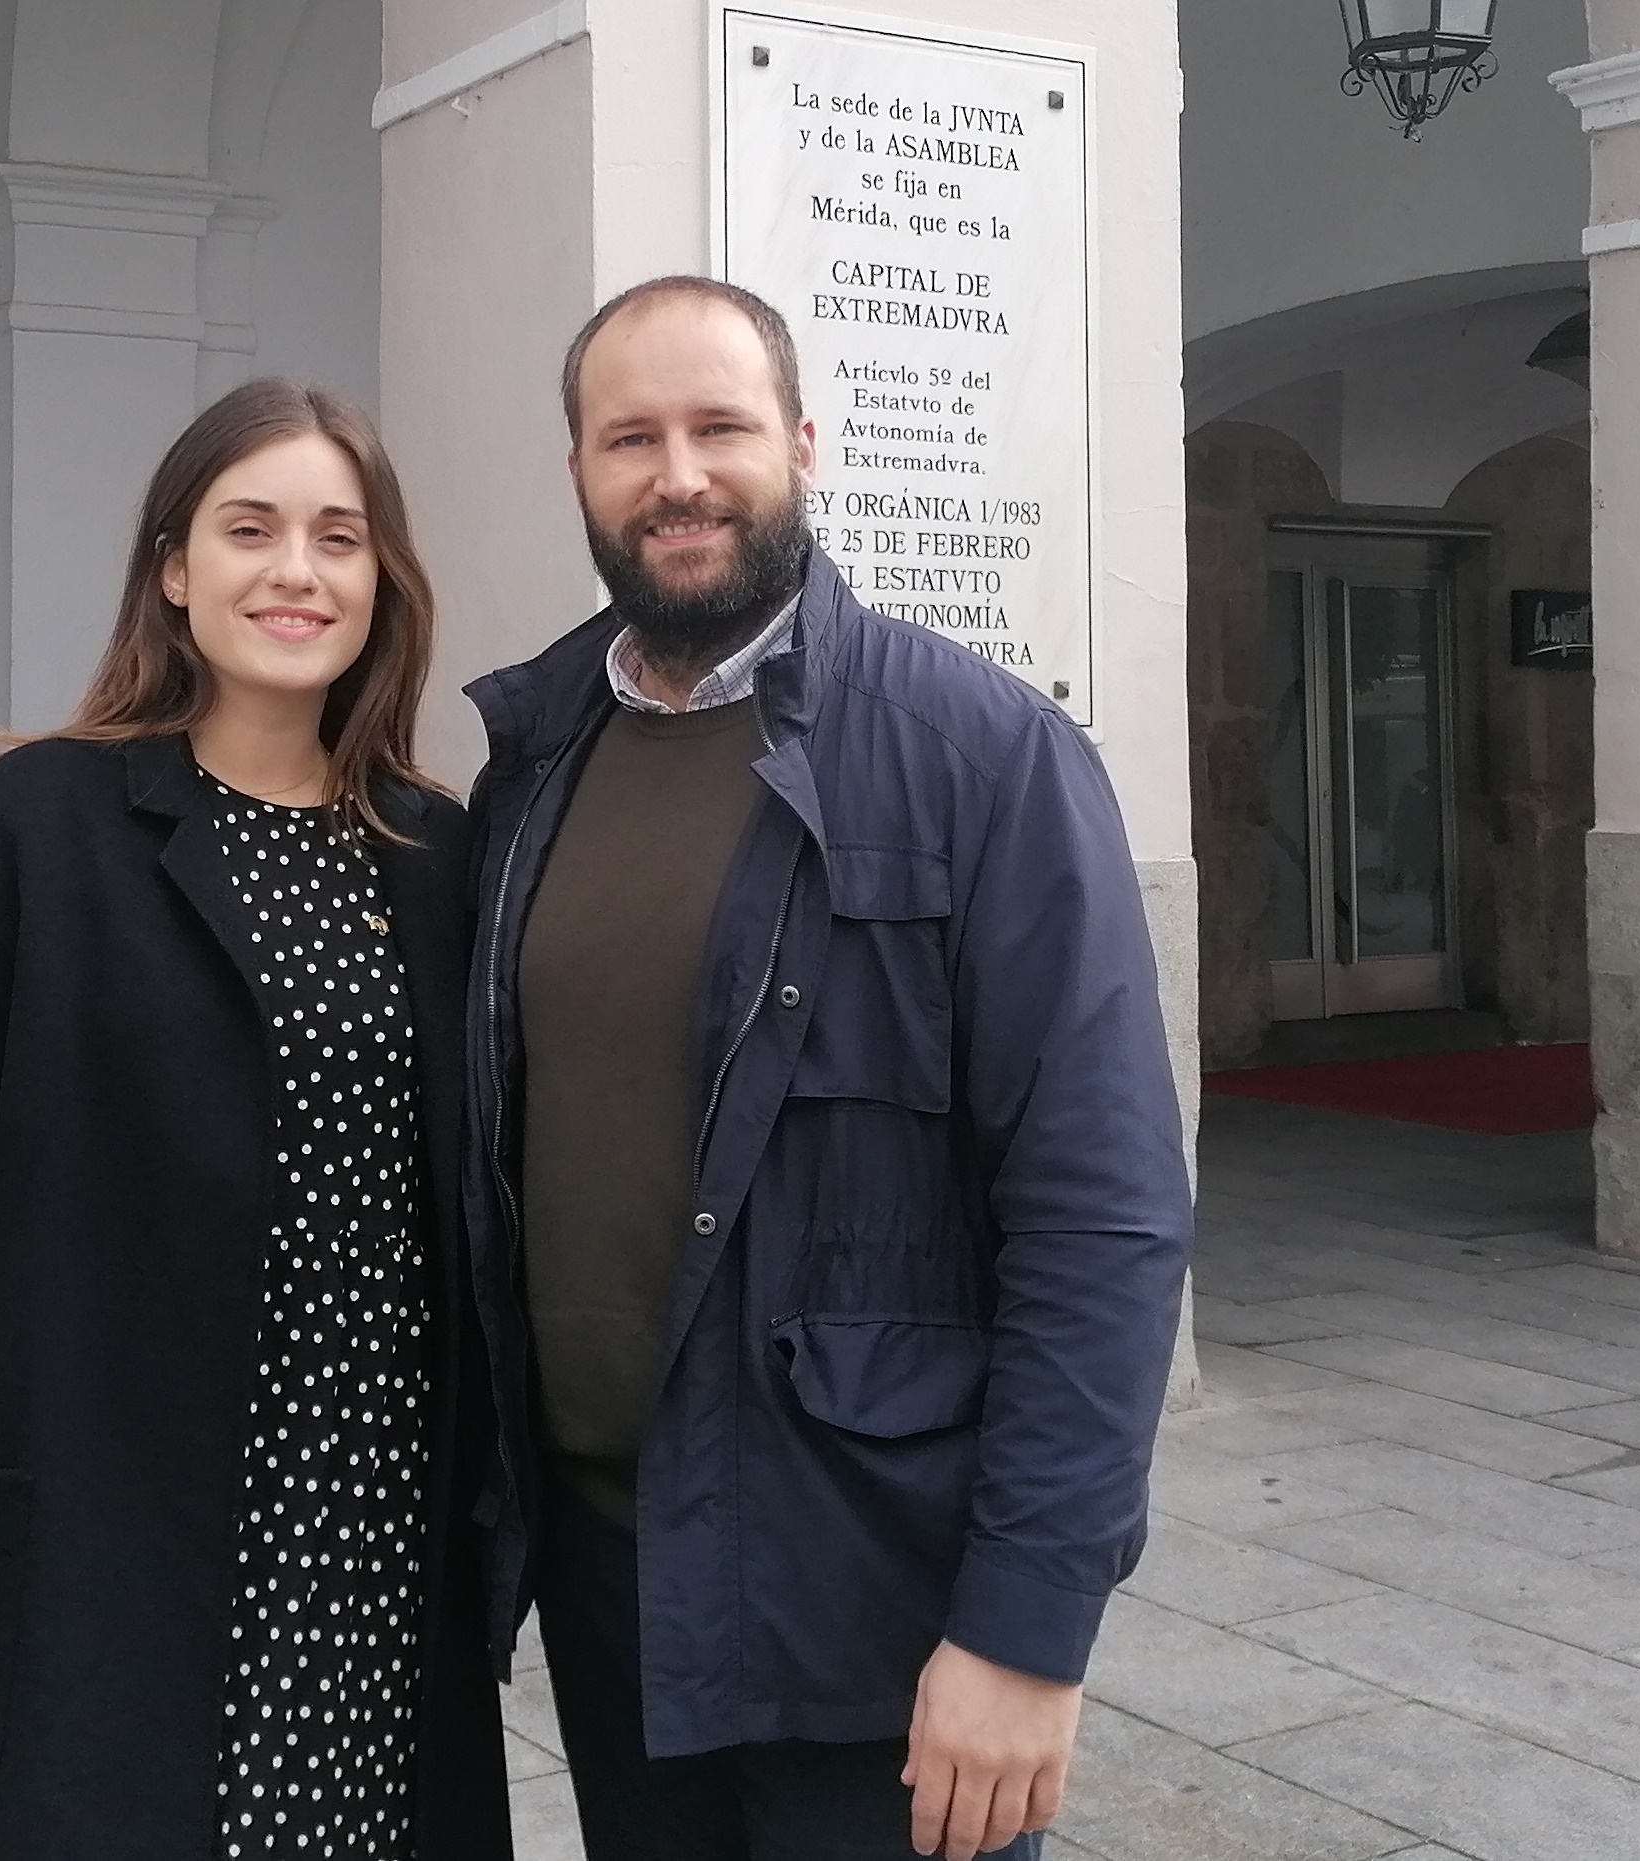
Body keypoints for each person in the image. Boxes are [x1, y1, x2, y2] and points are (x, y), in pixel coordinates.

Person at [459, 276, 1192, 1861]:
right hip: (610, 1572)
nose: (679, 475)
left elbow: (1104, 1215)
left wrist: (1024, 1627)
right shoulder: (528, 762)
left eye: (720, 426)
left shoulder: (982, 754)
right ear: (580, 472)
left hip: (872, 1588)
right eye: (628, 437)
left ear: (802, 442)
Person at [0, 378, 512, 1859]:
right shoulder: (24, 835)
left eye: (338, 536)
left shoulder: (442, 859)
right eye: (251, 528)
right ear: (174, 568)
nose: (295, 571)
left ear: (384, 580)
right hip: (88, 1571)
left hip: (366, 1570)